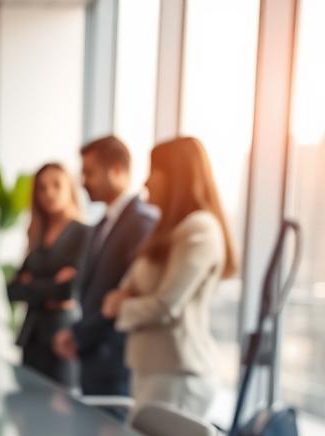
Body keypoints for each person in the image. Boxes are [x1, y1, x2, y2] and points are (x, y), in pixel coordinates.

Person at [101, 136, 235, 419]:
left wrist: (122, 306)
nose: (146, 183)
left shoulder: (200, 228)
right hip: (152, 369)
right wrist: (129, 299)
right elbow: (128, 286)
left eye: (153, 172)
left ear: (176, 176)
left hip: (179, 374)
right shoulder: (166, 230)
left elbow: (165, 306)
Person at [52, 136, 159, 396]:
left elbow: (126, 296)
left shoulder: (141, 223)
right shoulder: (101, 224)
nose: (83, 181)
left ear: (117, 171)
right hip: (93, 359)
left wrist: (79, 335)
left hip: (116, 362)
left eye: (90, 173)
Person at [7, 163, 89, 387]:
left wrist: (32, 284)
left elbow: (68, 289)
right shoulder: (37, 235)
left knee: (60, 406)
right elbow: (12, 290)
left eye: (56, 185)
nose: (48, 193)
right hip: (31, 335)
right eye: (42, 188)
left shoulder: (81, 233)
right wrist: (50, 285)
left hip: (61, 335)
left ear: (69, 188)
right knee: (28, 405)